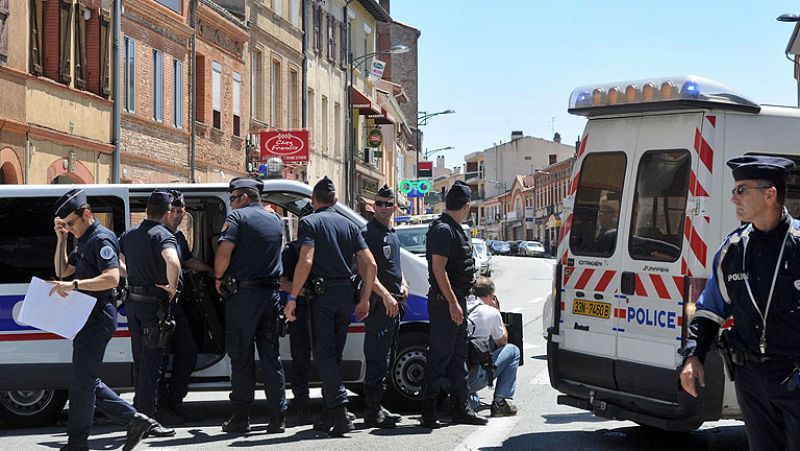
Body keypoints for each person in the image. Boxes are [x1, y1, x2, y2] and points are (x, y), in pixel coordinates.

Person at [680, 156, 800, 451]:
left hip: (794, 374)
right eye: (734, 190)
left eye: (741, 190)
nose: (733, 198)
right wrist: (693, 356)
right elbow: (710, 310)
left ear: (770, 194)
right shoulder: (732, 249)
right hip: (750, 380)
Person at [50, 188, 153, 451]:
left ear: (86, 213)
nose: (69, 228)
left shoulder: (101, 239)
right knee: (84, 380)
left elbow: (112, 278)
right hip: (86, 315)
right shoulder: (83, 239)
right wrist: (61, 239)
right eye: (65, 225)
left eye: (71, 223)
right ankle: (134, 419)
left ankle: (78, 443)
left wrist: (74, 285)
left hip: (99, 315)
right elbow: (62, 269)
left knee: (82, 383)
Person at [284, 176, 378, 437]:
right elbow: (370, 264)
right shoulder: (350, 225)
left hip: (322, 296)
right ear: (335, 200)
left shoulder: (310, 222)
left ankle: (340, 410)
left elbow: (306, 260)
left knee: (324, 355)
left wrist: (292, 297)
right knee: (334, 356)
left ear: (313, 200)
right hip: (345, 295)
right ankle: (329, 415)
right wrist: (364, 299)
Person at [214, 176, 287, 434]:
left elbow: (224, 253)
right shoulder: (275, 220)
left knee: (241, 357)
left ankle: (241, 417)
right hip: (271, 296)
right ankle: (277, 417)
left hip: (244, 297)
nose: (231, 203)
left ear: (244, 197)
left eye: (233, 198)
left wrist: (218, 278)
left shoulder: (237, 218)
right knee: (271, 357)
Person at [420, 180, 487, 428]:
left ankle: (461, 408)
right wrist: (452, 303)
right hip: (446, 301)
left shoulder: (452, 228)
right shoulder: (444, 230)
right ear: (467, 205)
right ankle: (428, 412)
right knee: (440, 356)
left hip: (455, 299)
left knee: (458, 356)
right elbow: (439, 269)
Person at [119, 190, 180, 438]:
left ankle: (139, 416)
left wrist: (132, 273)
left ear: (146, 211)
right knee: (151, 366)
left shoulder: (129, 234)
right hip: (153, 307)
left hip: (133, 304)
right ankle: (146, 421)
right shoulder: (163, 235)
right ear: (168, 213)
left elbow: (117, 262)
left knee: (140, 362)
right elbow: (173, 262)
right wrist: (172, 287)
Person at [156, 190, 213, 425]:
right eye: (174, 211)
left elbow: (188, 260)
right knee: (158, 359)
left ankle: (175, 402)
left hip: (176, 304)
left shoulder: (178, 237)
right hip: (158, 305)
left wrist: (213, 272)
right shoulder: (155, 235)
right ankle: (159, 407)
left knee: (188, 352)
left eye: (182, 211)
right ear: (166, 211)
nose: (178, 215)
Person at [361, 184, 408, 428]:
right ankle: (372, 411)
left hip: (394, 303)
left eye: (387, 204)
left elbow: (395, 267)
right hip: (380, 304)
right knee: (377, 357)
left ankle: (378, 406)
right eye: (378, 203)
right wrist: (386, 295)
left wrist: (404, 283)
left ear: (394, 207)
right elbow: (365, 270)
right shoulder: (369, 232)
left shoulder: (391, 233)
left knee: (387, 358)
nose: (382, 207)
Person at [280, 202, 316, 425]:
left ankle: (330, 406)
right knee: (301, 361)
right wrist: (301, 291)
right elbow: (281, 281)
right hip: (301, 309)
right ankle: (303, 407)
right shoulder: (292, 251)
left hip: (320, 309)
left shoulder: (325, 249)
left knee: (326, 359)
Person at [465, 277, 519, 417]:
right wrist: (497, 312)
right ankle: (500, 402)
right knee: (513, 351)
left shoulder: (460, 305)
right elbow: (502, 342)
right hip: (473, 378)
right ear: (491, 295)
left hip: (450, 378)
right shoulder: (490, 312)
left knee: (474, 403)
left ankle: (466, 398)